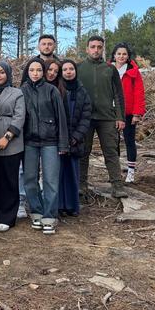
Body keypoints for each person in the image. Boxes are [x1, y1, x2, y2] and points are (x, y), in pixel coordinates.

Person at [20, 59, 68, 235]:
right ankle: (37, 211)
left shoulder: (52, 90)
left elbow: (61, 118)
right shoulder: (22, 91)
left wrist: (63, 143)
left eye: (38, 70)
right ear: (28, 72)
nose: (35, 73)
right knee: (30, 180)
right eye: (32, 70)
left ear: (43, 72)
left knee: (50, 180)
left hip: (50, 141)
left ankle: (49, 216)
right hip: (29, 142)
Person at [78, 36, 127, 199]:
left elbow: (118, 95)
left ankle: (117, 185)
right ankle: (81, 184)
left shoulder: (110, 69)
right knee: (83, 152)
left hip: (107, 117)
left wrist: (120, 117)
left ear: (103, 49)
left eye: (99, 47)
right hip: (85, 118)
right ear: (87, 49)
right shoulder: (79, 68)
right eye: (93, 47)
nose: (96, 50)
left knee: (111, 152)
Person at [0, 61, 25, 232]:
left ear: (8, 74)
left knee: (9, 180)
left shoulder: (17, 93)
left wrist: (7, 137)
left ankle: (7, 216)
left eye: (2, 72)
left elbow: (20, 116)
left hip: (11, 143)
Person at [58, 60, 92, 215]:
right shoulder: (57, 89)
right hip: (60, 139)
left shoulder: (82, 91)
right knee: (59, 174)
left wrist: (77, 136)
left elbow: (86, 117)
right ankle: (60, 206)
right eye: (65, 69)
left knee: (73, 173)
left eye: (71, 69)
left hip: (76, 140)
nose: (68, 72)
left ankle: (72, 206)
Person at [111, 43, 145, 183]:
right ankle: (115, 172)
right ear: (114, 55)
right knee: (113, 142)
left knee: (129, 141)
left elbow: (139, 92)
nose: (121, 56)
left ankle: (131, 172)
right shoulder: (108, 69)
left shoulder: (133, 72)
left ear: (128, 56)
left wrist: (137, 113)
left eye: (124, 54)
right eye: (119, 54)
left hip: (128, 112)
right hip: (111, 111)